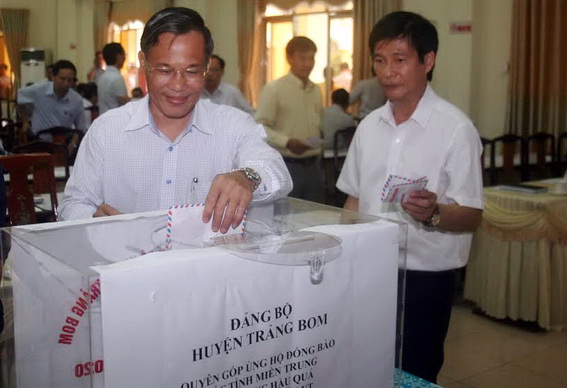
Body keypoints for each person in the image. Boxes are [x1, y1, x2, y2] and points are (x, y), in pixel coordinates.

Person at [336, 11, 483, 383]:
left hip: (425, 279)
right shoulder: (368, 127)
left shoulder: (455, 129)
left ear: (427, 60)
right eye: (380, 61)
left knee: (416, 370)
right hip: (370, 270)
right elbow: (354, 200)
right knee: (365, 364)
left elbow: (471, 214)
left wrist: (433, 213)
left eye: (400, 60)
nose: (388, 72)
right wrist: (342, 255)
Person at [58, 7, 292, 234]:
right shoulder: (107, 130)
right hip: (127, 267)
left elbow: (277, 172)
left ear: (207, 66)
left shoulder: (232, 125)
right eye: (164, 70)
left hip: (206, 269)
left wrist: (247, 177)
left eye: (192, 72)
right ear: (143, 62)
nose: (178, 86)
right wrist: (92, 220)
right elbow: (72, 205)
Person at [255, 36, 324, 203]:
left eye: (311, 58)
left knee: (315, 216)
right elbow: (259, 127)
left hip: (314, 166)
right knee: (285, 219)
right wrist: (287, 142)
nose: (308, 64)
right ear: (289, 58)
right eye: (302, 58)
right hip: (286, 165)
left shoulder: (316, 90)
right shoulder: (275, 89)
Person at [17, 60, 87, 136]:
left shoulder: (77, 100)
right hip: (38, 141)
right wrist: (25, 121)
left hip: (64, 142)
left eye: (70, 80)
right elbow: (19, 95)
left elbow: (80, 129)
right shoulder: (39, 90)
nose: (66, 83)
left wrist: (72, 144)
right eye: (62, 79)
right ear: (53, 77)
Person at [97, 42, 129, 114]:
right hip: (115, 119)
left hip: (103, 117)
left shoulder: (102, 76)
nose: (125, 58)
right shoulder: (117, 78)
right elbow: (124, 103)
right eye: (123, 54)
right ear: (118, 56)